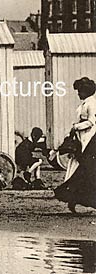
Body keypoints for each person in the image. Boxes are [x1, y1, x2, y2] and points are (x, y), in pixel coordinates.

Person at [54, 77, 96, 213]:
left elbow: (91, 122)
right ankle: (73, 197)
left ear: (86, 91)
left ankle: (74, 197)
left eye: (80, 91)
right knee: (78, 169)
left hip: (89, 140)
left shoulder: (91, 104)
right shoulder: (85, 103)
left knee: (85, 171)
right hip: (81, 140)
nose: (78, 93)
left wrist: (76, 127)